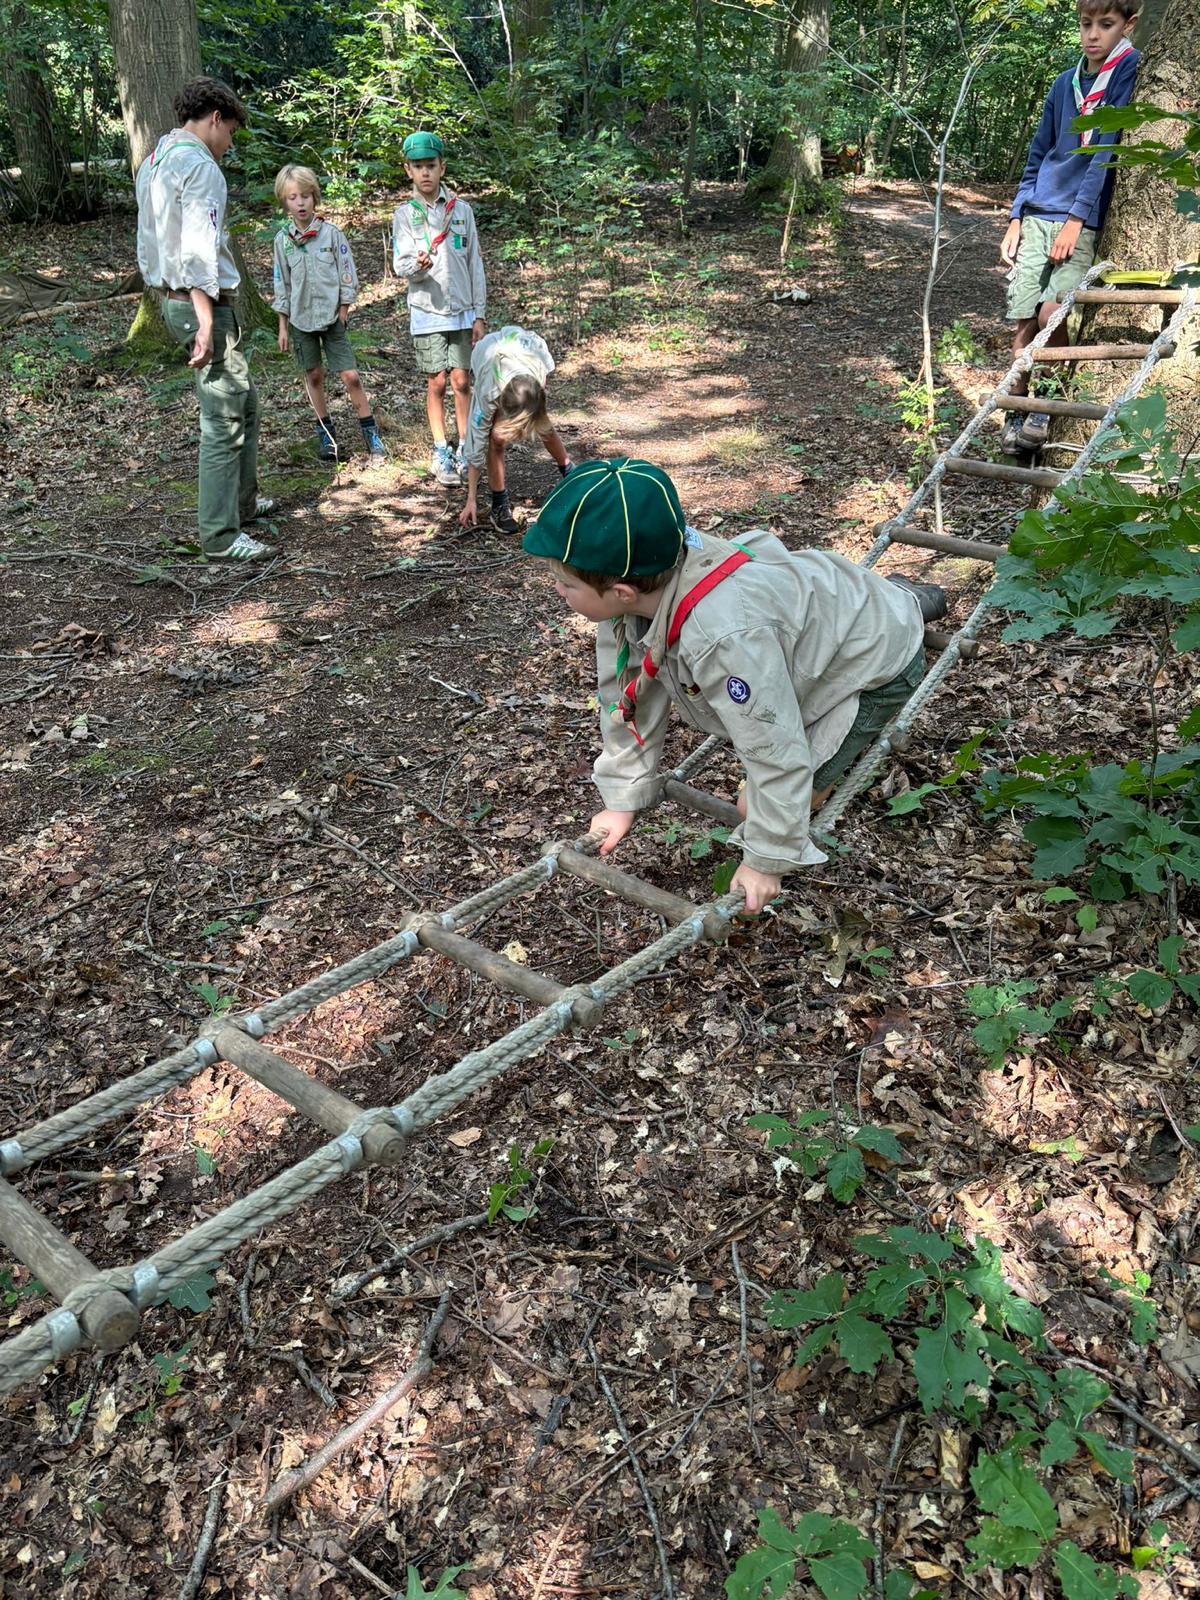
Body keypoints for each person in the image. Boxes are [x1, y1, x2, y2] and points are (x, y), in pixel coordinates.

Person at [523, 458, 943, 914]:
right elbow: (626, 698)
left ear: (622, 591)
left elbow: (774, 747)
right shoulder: (641, 585)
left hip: (873, 666)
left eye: (564, 584)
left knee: (753, 807)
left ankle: (903, 606)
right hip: (821, 607)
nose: (558, 591)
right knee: (825, 628)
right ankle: (898, 598)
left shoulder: (724, 638)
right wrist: (624, 797)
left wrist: (766, 859)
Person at [135, 76, 275, 561]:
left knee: (245, 402)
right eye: (231, 132)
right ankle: (220, 536)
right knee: (223, 419)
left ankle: (244, 504)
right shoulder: (200, 166)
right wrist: (206, 321)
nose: (230, 144)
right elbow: (197, 250)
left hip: (174, 298)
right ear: (215, 118)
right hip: (200, 304)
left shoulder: (155, 160)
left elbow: (150, 240)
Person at [999, 0, 1139, 453]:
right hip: (1039, 211)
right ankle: (1015, 408)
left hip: (1078, 219)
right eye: (1086, 24)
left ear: (1128, 25)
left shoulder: (1127, 70)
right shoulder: (1065, 83)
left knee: (1052, 311)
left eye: (1106, 24)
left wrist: (1077, 219)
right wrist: (1016, 216)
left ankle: (1046, 403)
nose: (1093, 35)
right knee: (1024, 317)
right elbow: (1038, 152)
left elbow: (1104, 153)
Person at [271, 164, 386, 463]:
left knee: (351, 376)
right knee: (314, 375)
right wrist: (283, 325)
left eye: (305, 196)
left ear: (314, 197)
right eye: (293, 198)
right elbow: (281, 284)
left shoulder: (332, 235)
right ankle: (326, 435)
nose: (300, 203)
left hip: (333, 317)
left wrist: (344, 310)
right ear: (285, 202)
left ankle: (371, 434)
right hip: (301, 320)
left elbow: (347, 274)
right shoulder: (283, 241)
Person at [391, 131, 486, 487]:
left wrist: (479, 313)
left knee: (462, 380)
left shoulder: (462, 211)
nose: (425, 172)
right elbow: (400, 265)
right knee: (437, 381)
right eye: (418, 167)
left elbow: (475, 263)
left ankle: (465, 447)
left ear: (442, 167)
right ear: (408, 171)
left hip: (461, 308)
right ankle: (440, 448)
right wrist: (417, 266)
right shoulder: (404, 215)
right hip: (426, 309)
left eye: (431, 165)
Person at [458, 325, 574, 535]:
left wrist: (532, 418)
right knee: (496, 438)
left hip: (523, 350)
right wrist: (471, 499)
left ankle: (570, 471)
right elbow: (476, 440)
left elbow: (538, 416)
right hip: (487, 354)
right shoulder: (488, 393)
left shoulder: (538, 367)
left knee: (541, 422)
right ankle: (499, 502)